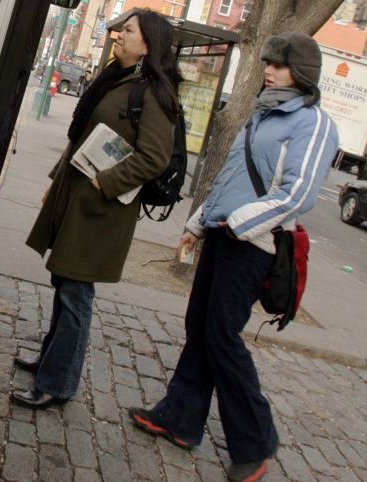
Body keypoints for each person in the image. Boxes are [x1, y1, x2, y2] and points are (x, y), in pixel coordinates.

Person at [127, 32, 339, 482]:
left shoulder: (312, 123)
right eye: (269, 63)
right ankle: (180, 419)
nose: (270, 70)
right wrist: (198, 223)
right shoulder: (260, 116)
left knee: (223, 337)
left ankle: (255, 441)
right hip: (224, 235)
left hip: (255, 245)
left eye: (279, 66)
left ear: (300, 74)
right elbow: (229, 177)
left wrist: (239, 222)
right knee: (199, 327)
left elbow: (298, 195)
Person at [13, 8, 183, 410]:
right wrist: (57, 181)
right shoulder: (117, 78)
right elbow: (83, 135)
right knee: (65, 283)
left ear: (148, 44)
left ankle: (58, 382)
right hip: (77, 198)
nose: (119, 36)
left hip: (101, 210)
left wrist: (103, 183)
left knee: (75, 291)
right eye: (120, 30)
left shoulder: (155, 92)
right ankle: (51, 360)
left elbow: (153, 158)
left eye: (128, 31)